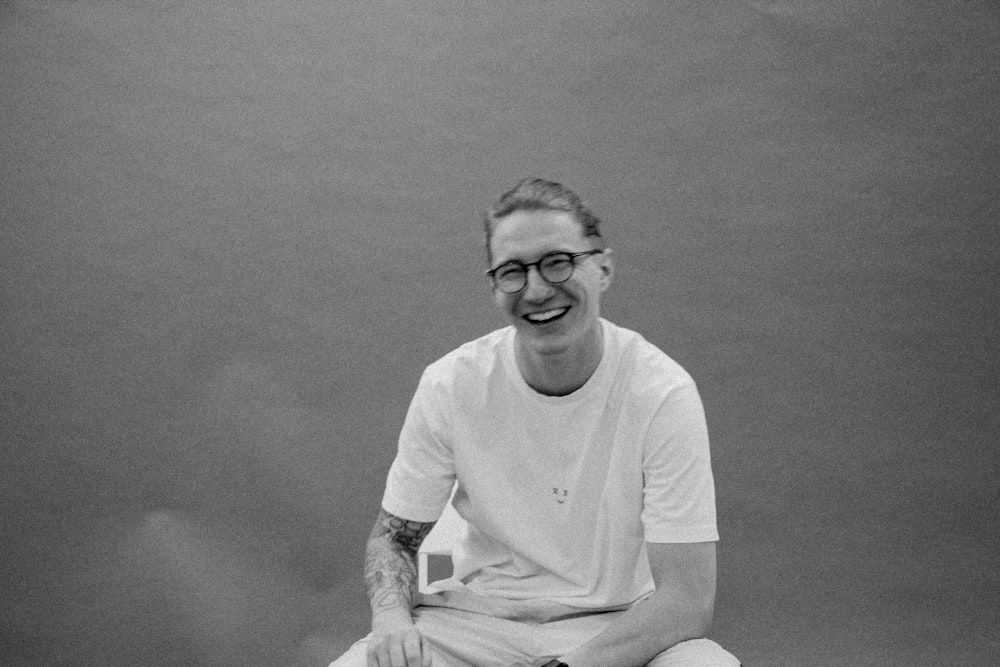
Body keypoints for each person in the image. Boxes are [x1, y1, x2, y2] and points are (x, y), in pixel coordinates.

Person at [331, 178, 740, 666]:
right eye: (512, 271)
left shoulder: (661, 393)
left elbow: (686, 601)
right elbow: (393, 539)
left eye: (557, 261)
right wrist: (392, 621)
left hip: (617, 630)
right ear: (494, 286)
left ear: (604, 267)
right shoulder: (451, 385)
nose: (537, 289)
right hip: (473, 625)